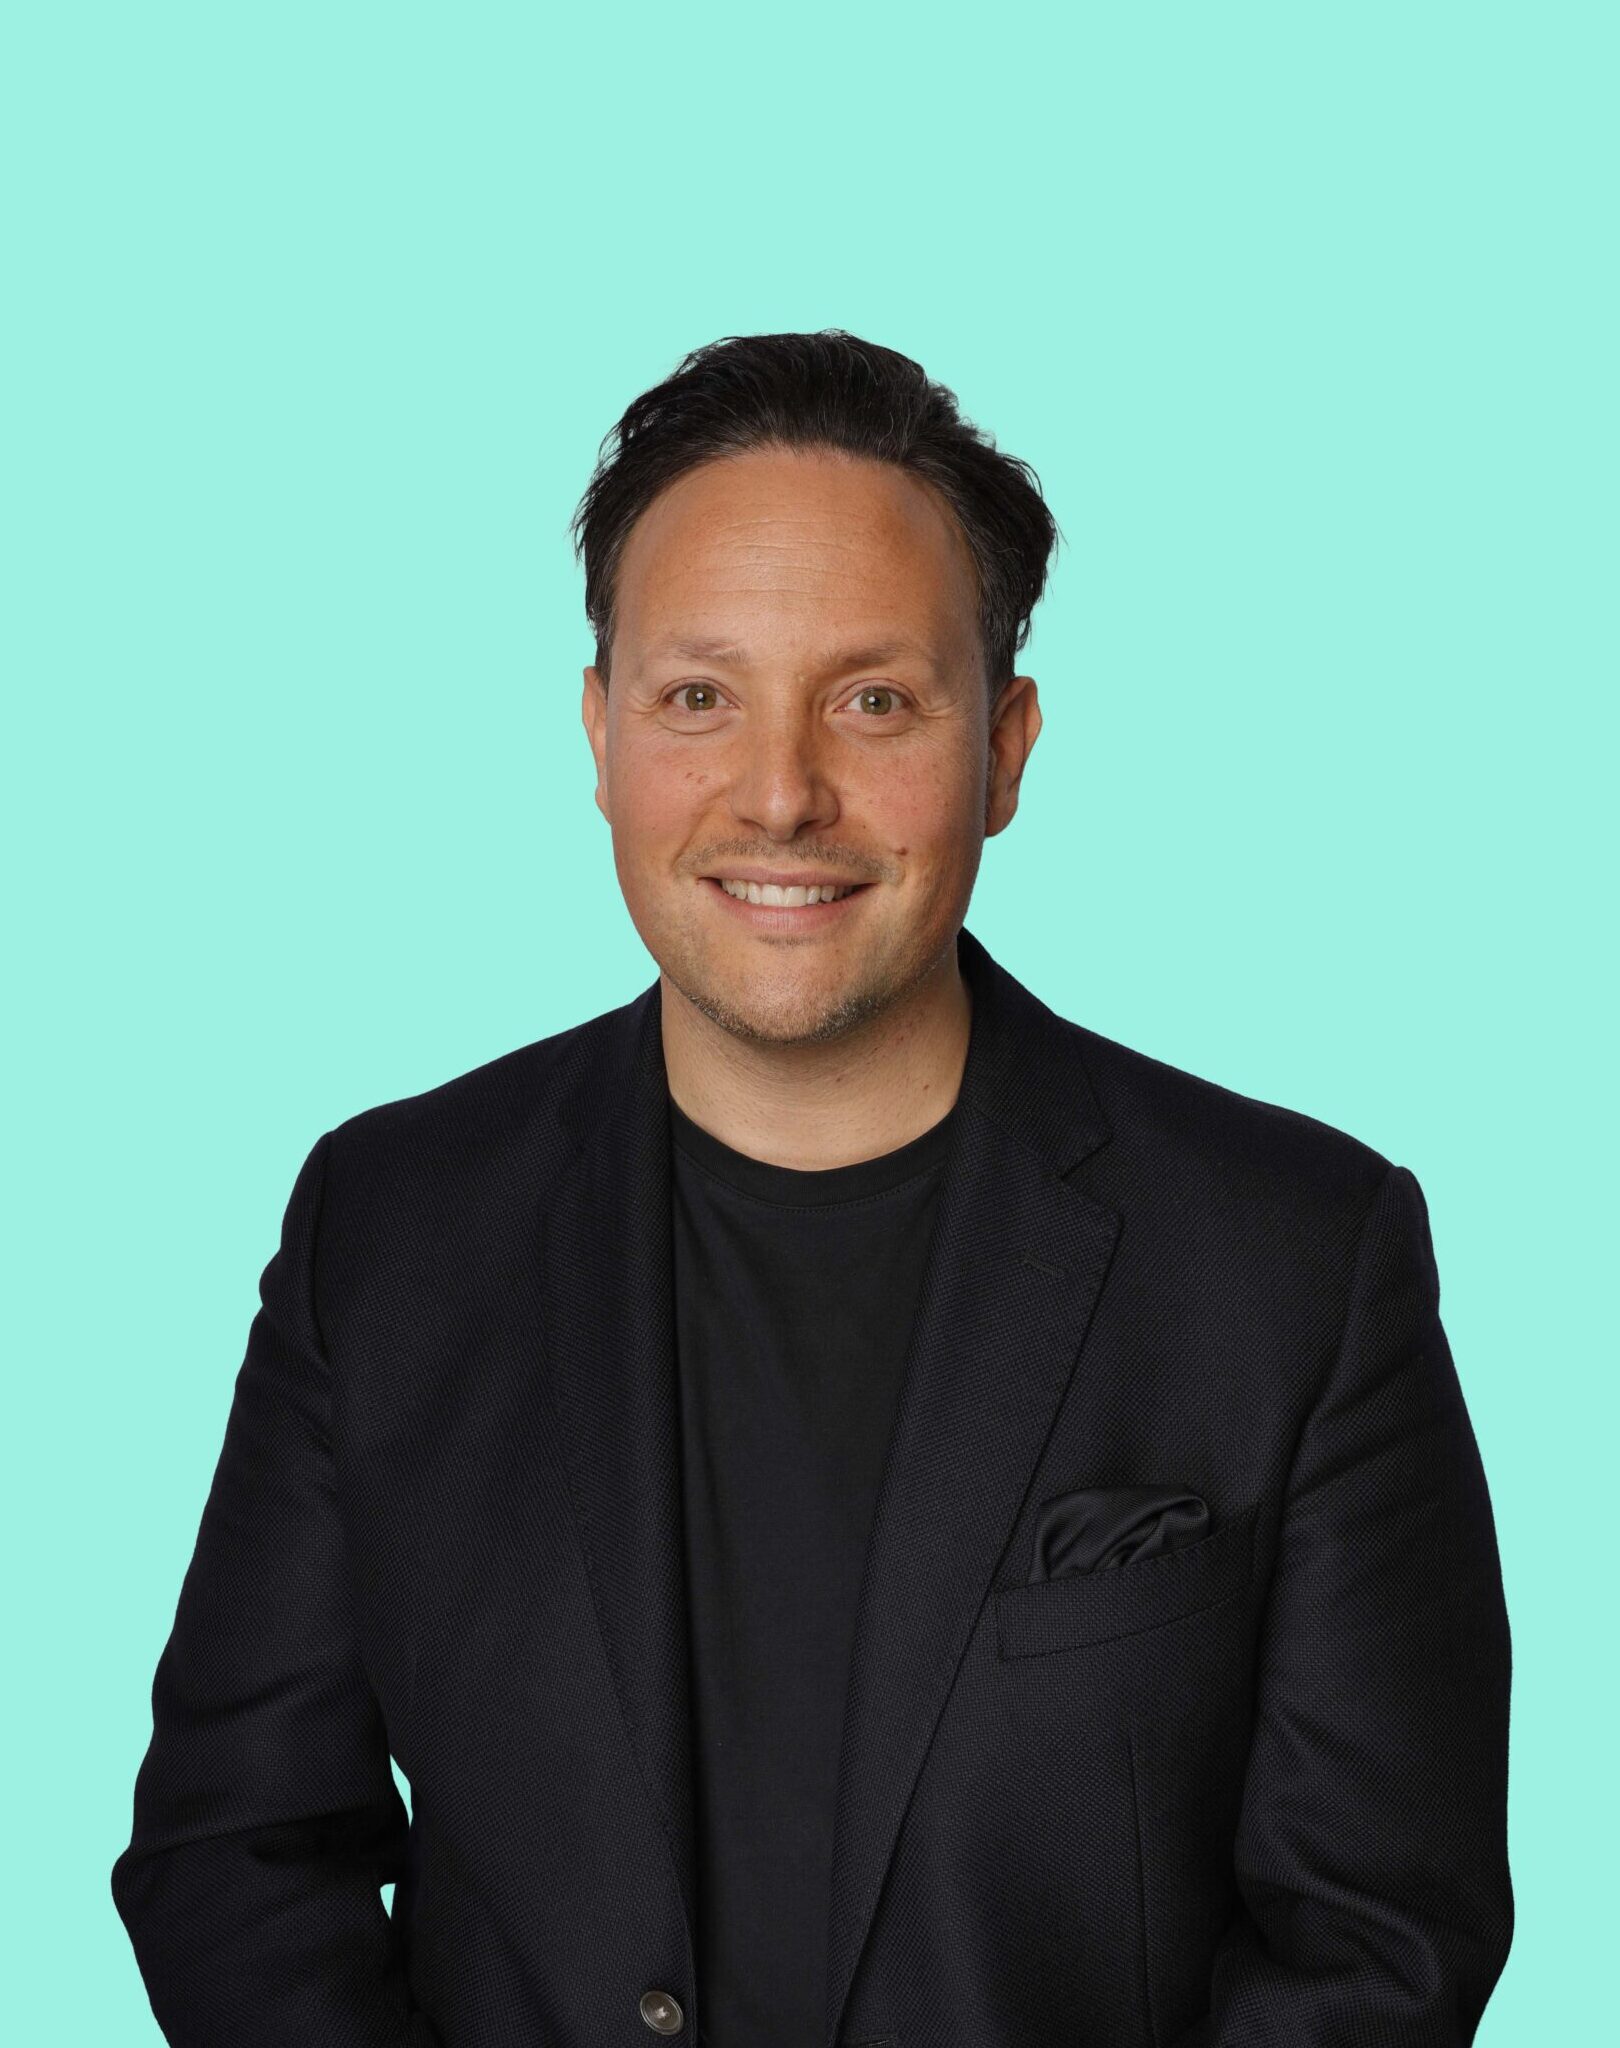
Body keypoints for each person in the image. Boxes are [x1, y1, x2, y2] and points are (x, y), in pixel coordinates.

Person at [111, 330, 1513, 2047]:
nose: (780, 795)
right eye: (699, 698)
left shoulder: (1299, 1261)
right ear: (601, 733)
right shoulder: (388, 1226)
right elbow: (238, 1856)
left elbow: (1379, 1940)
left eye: (875, 700)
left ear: (1005, 750)